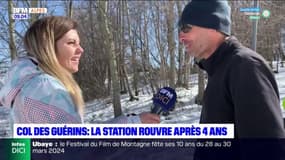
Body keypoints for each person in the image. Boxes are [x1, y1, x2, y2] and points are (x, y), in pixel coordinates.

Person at [0, 16, 159, 125]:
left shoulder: (28, 86)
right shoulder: (47, 89)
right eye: (71, 43)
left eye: (79, 43)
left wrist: (134, 122)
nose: (81, 49)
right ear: (47, 46)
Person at [179, 0, 285, 138]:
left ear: (213, 24)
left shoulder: (245, 66)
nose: (181, 37)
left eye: (186, 28)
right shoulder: (218, 71)